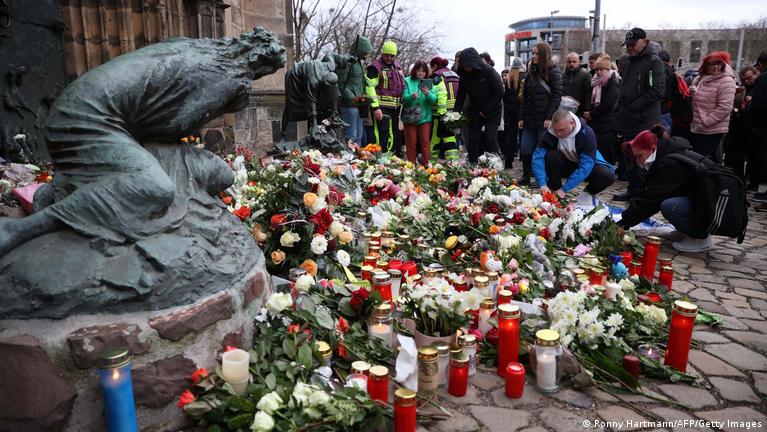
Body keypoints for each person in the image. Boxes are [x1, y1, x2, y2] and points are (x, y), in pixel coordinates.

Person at [618, 126, 714, 252]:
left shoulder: (669, 163)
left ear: (651, 149)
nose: (638, 161)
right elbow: (648, 192)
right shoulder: (665, 155)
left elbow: (652, 200)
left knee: (670, 206)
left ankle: (701, 238)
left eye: (639, 156)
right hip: (699, 201)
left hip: (709, 207)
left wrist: (623, 223)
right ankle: (685, 232)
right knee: (670, 201)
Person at [613, 28, 666, 202]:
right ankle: (633, 189)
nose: (629, 48)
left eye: (632, 44)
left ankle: (643, 192)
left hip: (644, 119)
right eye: (627, 45)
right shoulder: (628, 61)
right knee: (630, 156)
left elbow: (657, 90)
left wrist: (636, 106)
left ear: (644, 41)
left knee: (643, 158)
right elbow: (624, 88)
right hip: (628, 118)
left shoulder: (653, 62)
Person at [533, 109, 615, 201]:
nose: (558, 133)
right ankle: (553, 192)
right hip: (566, 164)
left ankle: (586, 194)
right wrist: (542, 184)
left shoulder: (587, 134)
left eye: (562, 130)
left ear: (572, 123)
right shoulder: (550, 133)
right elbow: (538, 157)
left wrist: (565, 189)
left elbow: (586, 165)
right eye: (556, 130)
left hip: (587, 165)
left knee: (607, 176)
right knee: (551, 156)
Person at [517, 42, 563, 185]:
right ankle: (526, 175)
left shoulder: (553, 72)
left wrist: (549, 117)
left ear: (543, 54)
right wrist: (521, 117)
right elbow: (525, 97)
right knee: (525, 149)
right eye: (533, 53)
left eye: (536, 53)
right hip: (530, 119)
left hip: (544, 119)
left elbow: (557, 95)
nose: (534, 56)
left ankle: (542, 179)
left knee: (542, 152)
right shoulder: (531, 72)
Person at [454, 47, 504, 164]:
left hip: (492, 110)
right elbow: (461, 95)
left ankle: (497, 165)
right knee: (472, 140)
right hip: (475, 110)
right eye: (464, 65)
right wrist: (455, 113)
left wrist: (486, 111)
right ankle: (472, 165)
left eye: (468, 65)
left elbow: (499, 92)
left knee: (490, 139)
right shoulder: (464, 75)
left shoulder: (489, 71)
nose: (467, 68)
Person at [325, 35, 374, 148]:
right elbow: (341, 83)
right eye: (365, 52)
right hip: (349, 105)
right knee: (351, 135)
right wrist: (352, 97)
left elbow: (358, 83)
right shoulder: (348, 61)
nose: (366, 55)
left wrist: (363, 97)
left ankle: (358, 160)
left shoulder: (357, 62)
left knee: (359, 136)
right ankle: (349, 158)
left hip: (358, 104)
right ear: (360, 49)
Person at [689, 51, 737, 163]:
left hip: (712, 129)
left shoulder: (726, 81)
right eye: (712, 64)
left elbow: (725, 108)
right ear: (705, 65)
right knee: (699, 158)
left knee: (701, 160)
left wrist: (706, 121)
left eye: (719, 64)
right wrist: (692, 94)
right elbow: (698, 101)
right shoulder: (698, 78)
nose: (715, 67)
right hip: (696, 127)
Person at [365, 40, 405, 156]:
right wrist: (375, 107)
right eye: (387, 55)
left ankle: (389, 158)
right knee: (384, 133)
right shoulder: (374, 67)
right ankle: (381, 157)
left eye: (392, 56)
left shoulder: (397, 66)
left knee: (395, 134)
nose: (389, 58)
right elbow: (370, 88)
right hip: (382, 107)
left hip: (396, 107)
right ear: (382, 54)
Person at [724, 66, 758, 184]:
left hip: (753, 128)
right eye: (743, 79)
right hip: (740, 127)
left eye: (749, 78)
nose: (746, 81)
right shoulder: (743, 89)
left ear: (756, 74)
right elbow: (736, 109)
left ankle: (752, 181)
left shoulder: (759, 88)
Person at [401, 61, 437, 166]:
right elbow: (403, 98)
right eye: (418, 70)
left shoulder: (428, 82)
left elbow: (434, 99)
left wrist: (428, 94)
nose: (421, 73)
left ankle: (426, 163)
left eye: (423, 71)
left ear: (426, 72)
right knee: (411, 143)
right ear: (414, 71)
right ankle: (411, 164)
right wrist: (411, 97)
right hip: (410, 117)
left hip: (425, 118)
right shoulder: (407, 81)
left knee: (425, 142)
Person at [588, 54, 620, 165]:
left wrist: (592, 113)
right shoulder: (596, 82)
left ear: (607, 69)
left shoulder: (612, 81)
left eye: (601, 69)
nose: (598, 72)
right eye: (597, 69)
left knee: (605, 148)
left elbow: (609, 102)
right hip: (598, 121)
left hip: (607, 121)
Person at [429, 56, 460, 162]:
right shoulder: (454, 74)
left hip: (441, 112)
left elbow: (441, 94)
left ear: (435, 66)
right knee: (450, 136)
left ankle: (431, 162)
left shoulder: (436, 76)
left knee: (435, 137)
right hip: (455, 111)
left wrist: (442, 113)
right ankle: (454, 162)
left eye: (431, 67)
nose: (430, 69)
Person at [501, 58, 525, 169]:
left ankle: (508, 161)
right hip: (522, 112)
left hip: (511, 112)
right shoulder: (524, 77)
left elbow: (505, 98)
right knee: (524, 136)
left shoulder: (509, 79)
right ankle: (524, 160)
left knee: (510, 136)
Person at [750, 51, 767, 205]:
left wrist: (754, 124)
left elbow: (758, 105)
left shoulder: (763, 79)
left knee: (763, 157)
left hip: (763, 125)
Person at [563, 52, 592, 116]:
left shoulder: (586, 76)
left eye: (574, 61)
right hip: (564, 111)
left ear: (578, 62)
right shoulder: (561, 76)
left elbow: (588, 94)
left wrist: (587, 109)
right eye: (569, 62)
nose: (571, 64)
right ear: (566, 62)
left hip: (579, 111)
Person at [658, 50, 678, 131]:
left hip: (662, 109)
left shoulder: (662, 69)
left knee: (662, 134)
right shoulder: (670, 69)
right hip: (668, 108)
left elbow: (661, 90)